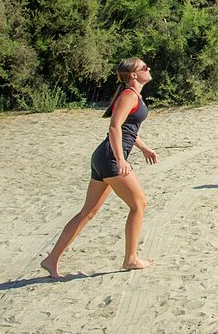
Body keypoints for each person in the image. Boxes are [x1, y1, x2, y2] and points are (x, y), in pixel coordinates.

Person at [41, 58, 159, 278]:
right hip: (110, 158)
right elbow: (114, 126)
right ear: (133, 75)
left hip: (104, 158)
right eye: (143, 67)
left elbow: (128, 129)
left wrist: (144, 148)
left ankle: (51, 259)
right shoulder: (129, 95)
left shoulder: (134, 95)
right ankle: (131, 259)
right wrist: (120, 159)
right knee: (139, 204)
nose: (148, 69)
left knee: (88, 212)